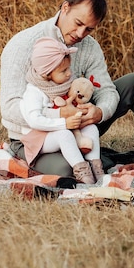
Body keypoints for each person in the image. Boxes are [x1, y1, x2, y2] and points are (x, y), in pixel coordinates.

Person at [0, 0, 134, 177]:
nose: (80, 33)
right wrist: (59, 115)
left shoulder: (89, 46)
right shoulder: (22, 44)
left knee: (132, 82)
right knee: (67, 171)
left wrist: (100, 112)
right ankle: (99, 158)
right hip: (34, 135)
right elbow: (9, 107)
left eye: (89, 29)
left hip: (81, 123)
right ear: (65, 8)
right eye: (78, 23)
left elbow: (107, 91)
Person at [19, 37, 103, 184]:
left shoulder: (64, 83)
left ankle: (96, 168)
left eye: (68, 68)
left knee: (91, 128)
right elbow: (34, 120)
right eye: (63, 70)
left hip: (63, 129)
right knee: (64, 135)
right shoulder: (34, 91)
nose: (69, 73)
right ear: (47, 73)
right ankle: (83, 173)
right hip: (39, 137)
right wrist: (64, 123)